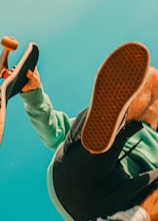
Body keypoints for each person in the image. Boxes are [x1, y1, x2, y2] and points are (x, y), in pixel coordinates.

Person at [20, 42, 158, 220]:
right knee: (152, 79)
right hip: (79, 175)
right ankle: (122, 118)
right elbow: (54, 132)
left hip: (112, 201)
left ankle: (119, 123)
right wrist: (34, 96)